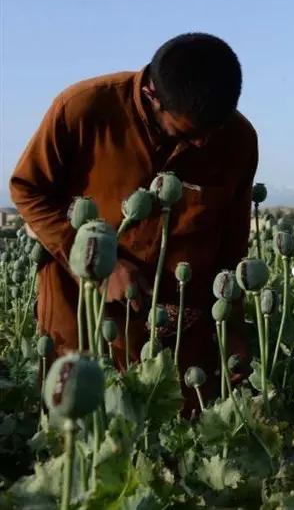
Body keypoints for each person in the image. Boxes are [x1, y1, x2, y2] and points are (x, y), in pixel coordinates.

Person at [9, 32, 258, 416]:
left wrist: (232, 327)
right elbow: (27, 189)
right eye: (188, 135)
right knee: (78, 426)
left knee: (171, 430)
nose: (202, 144)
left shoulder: (238, 139)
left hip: (179, 322)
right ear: (152, 96)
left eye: (212, 132)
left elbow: (233, 242)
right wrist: (97, 265)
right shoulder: (83, 109)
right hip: (80, 305)